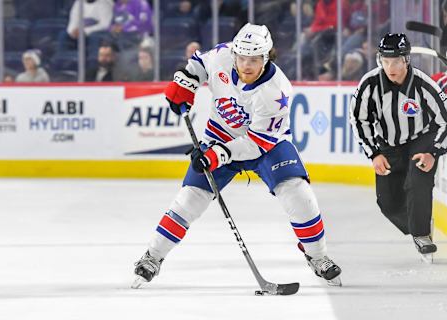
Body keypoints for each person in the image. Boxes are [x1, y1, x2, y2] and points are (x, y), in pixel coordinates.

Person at [132, 23, 342, 288]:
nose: (246, 65)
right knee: (190, 199)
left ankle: (318, 256)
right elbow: (199, 64)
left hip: (268, 144)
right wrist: (185, 81)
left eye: (254, 59)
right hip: (220, 136)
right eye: (242, 58)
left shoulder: (276, 91)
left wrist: (218, 155)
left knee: (298, 194)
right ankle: (152, 256)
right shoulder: (222, 55)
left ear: (267, 57)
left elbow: (256, 144)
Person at [349, 33, 447, 257]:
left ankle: (421, 234)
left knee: (417, 179)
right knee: (388, 204)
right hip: (388, 145)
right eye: (385, 60)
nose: (391, 67)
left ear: (407, 60)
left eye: (396, 61)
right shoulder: (369, 85)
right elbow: (359, 120)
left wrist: (434, 151)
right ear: (379, 59)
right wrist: (374, 154)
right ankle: (418, 222)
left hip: (422, 139)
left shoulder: (423, 84)